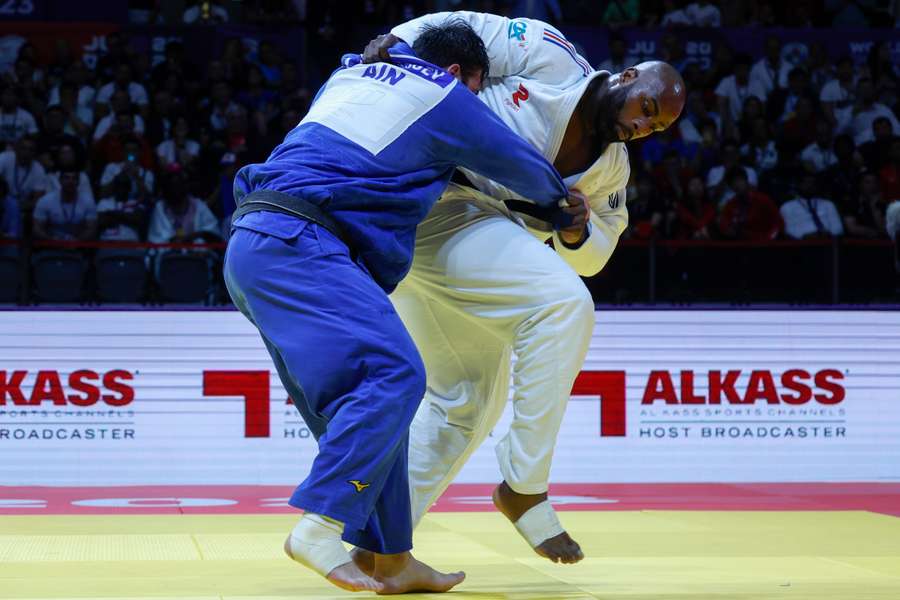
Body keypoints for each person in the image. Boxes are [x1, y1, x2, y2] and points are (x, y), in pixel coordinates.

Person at [224, 20, 577, 594]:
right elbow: (520, 165)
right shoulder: (443, 93)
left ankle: (391, 558)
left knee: (365, 411)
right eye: (477, 90)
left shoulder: (350, 72)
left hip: (253, 244)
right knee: (396, 375)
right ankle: (320, 525)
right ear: (461, 74)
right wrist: (561, 206)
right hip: (305, 243)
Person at [362, 10, 684, 566]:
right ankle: (524, 488)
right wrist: (404, 39)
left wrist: (580, 229)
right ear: (629, 76)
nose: (641, 127)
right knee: (561, 305)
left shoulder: (611, 170)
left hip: (462, 239)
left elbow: (596, 257)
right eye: (646, 110)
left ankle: (374, 543)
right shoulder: (551, 54)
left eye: (653, 129)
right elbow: (464, 29)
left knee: (466, 403)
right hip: (431, 198)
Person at [718, 167, 782, 240]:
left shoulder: (763, 200)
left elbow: (778, 223)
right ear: (731, 187)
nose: (736, 184)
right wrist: (727, 229)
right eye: (733, 182)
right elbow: (724, 225)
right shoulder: (730, 205)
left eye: (739, 180)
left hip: (765, 245)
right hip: (742, 245)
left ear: (746, 180)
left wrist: (768, 239)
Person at [780, 173, 844, 239]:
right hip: (802, 243)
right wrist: (804, 236)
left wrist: (829, 234)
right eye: (807, 183)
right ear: (799, 185)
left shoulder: (828, 204)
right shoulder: (787, 207)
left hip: (828, 241)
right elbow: (788, 229)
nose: (810, 186)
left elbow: (837, 227)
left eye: (813, 183)